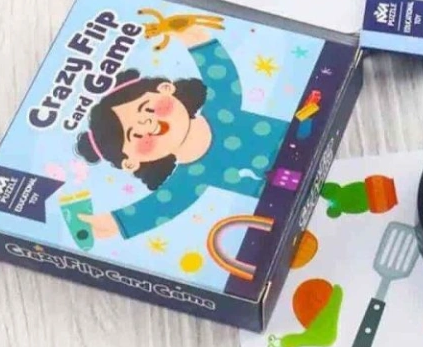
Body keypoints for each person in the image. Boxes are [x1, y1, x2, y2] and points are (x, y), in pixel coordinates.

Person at [74, 21, 287, 240]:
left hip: (302, 139)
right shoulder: (190, 179)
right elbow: (155, 209)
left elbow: (215, 66)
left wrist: (187, 32)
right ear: (132, 162)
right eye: (135, 135)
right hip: (288, 194)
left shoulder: (222, 107)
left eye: (147, 108)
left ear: (166, 89)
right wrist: (113, 223)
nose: (147, 123)